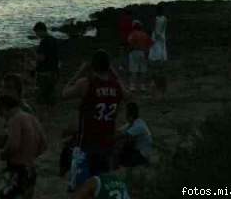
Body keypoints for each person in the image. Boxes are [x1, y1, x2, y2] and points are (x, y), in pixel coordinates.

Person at [62, 50, 127, 180]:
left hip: (87, 142)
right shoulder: (117, 86)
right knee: (100, 182)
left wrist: (78, 73)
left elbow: (64, 94)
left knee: (81, 185)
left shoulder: (86, 83)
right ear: (108, 67)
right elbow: (128, 94)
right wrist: (115, 74)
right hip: (107, 141)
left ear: (92, 66)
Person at [0, 94, 47, 199]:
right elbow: (44, 144)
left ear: (4, 108)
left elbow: (14, 145)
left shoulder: (15, 119)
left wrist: (2, 154)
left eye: (3, 115)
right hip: (31, 169)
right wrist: (30, 156)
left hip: (17, 169)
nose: (4, 119)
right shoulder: (31, 118)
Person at [33, 22, 59, 115]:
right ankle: (52, 115)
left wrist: (34, 54)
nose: (37, 35)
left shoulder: (44, 42)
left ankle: (42, 117)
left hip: (44, 73)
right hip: (54, 72)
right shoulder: (54, 40)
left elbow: (41, 58)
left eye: (37, 33)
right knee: (51, 96)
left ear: (41, 30)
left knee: (41, 97)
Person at [117, 102, 152, 167]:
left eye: (126, 113)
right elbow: (119, 131)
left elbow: (121, 136)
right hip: (138, 151)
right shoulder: (134, 122)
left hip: (142, 154)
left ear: (129, 115)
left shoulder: (138, 126)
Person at [127, 21, 153, 92]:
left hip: (134, 53)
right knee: (143, 71)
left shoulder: (132, 34)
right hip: (143, 53)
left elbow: (129, 43)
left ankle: (133, 87)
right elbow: (151, 43)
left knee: (133, 70)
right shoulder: (145, 34)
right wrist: (146, 51)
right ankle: (142, 86)